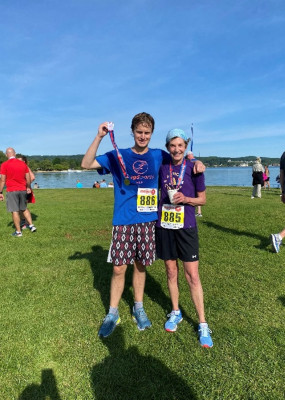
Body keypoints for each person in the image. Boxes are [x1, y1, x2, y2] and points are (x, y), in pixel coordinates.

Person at [81, 112, 205, 338]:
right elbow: (86, 163)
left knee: (140, 266)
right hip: (123, 220)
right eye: (139, 132)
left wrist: (197, 162)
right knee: (119, 268)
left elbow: (180, 160)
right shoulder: (118, 155)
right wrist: (99, 136)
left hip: (148, 221)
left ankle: (138, 307)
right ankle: (112, 312)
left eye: (147, 133)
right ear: (132, 132)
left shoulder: (159, 156)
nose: (143, 136)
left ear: (151, 134)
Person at [155, 129, 213, 348]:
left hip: (186, 226)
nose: (177, 149)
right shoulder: (162, 166)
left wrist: (186, 199)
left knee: (192, 276)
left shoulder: (194, 168)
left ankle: (202, 322)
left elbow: (203, 200)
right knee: (171, 272)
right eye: (172, 145)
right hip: (165, 225)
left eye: (180, 145)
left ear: (186, 146)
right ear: (168, 146)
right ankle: (176, 311)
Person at [0, 148, 37, 236]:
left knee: (15, 211)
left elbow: (2, 180)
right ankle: (31, 225)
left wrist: (0, 192)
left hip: (12, 190)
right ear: (15, 154)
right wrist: (28, 187)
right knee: (24, 208)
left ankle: (18, 232)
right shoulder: (22, 164)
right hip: (22, 189)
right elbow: (28, 177)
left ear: (6, 155)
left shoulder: (4, 164)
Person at [186, 151, 202, 217]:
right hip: (195, 181)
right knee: (197, 196)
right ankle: (198, 211)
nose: (187, 157)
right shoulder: (194, 161)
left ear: (189, 155)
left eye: (188, 156)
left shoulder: (193, 161)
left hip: (193, 181)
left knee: (195, 196)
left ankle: (197, 212)